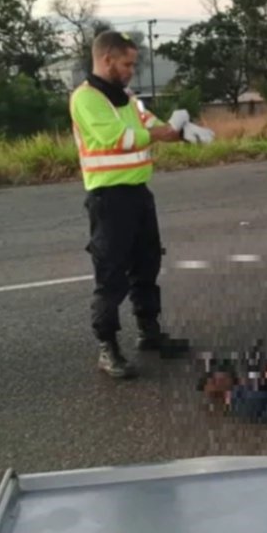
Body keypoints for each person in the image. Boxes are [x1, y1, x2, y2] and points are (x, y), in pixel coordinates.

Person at [69, 30, 213, 379]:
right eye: (127, 63)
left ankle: (150, 333)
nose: (132, 69)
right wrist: (162, 134)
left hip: (137, 193)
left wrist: (183, 131)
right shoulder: (86, 99)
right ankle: (108, 348)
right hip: (108, 198)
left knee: (147, 266)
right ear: (106, 60)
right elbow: (115, 139)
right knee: (111, 276)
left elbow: (150, 124)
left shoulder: (127, 97)